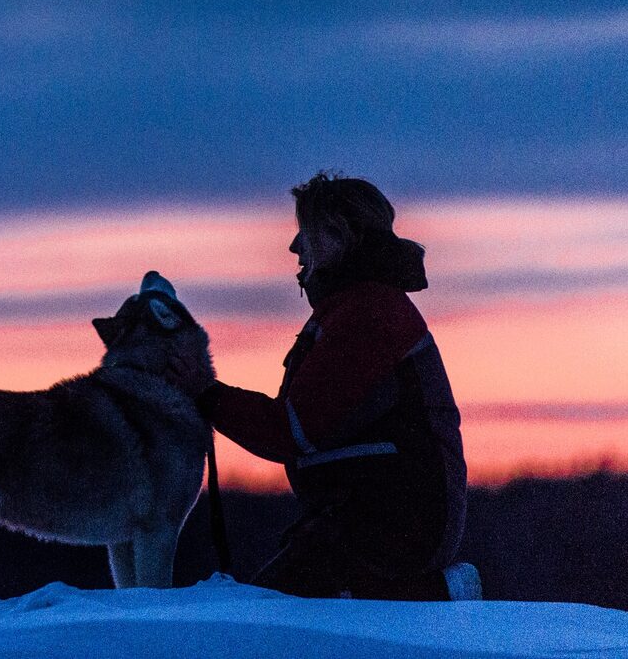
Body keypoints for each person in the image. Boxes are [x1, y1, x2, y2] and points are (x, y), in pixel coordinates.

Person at [195, 172, 476, 600]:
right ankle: (427, 593)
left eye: (304, 232)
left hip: (386, 530)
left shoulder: (367, 317)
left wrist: (204, 394)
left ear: (338, 236)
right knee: (267, 614)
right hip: (366, 523)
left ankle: (434, 593)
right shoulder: (357, 309)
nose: (295, 247)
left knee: (261, 621)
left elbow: (293, 431)